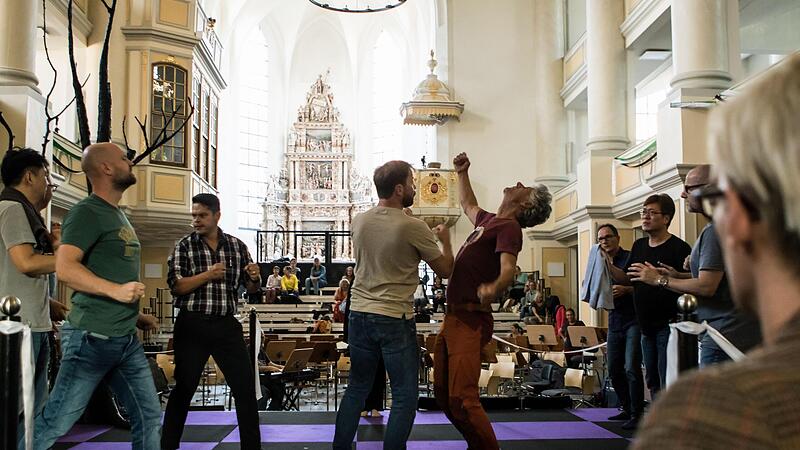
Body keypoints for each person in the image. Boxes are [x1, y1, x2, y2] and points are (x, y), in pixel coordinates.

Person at [634, 53, 800, 450]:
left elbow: (707, 286)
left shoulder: (715, 413)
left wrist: (661, 279)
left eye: (712, 196)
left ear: (738, 215)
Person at [34, 142, 160, 450]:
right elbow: (64, 268)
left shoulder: (117, 215)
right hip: (91, 338)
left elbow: (107, 269)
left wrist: (135, 312)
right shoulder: (86, 212)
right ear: (106, 168)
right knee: (56, 420)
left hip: (123, 339)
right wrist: (116, 291)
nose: (129, 161)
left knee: (149, 416)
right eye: (122, 158)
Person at [333, 160, 454, 450]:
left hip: (359, 313)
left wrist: (406, 218)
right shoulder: (413, 227)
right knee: (404, 395)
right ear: (399, 189)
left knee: (357, 389)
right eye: (412, 183)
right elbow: (446, 270)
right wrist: (445, 240)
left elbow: (386, 239)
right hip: (393, 316)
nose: (415, 187)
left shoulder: (359, 220)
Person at [434, 152, 552, 450]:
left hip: (470, 320)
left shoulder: (509, 229)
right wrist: (462, 172)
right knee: (444, 395)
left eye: (524, 188)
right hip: (453, 318)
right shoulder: (489, 220)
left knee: (463, 396)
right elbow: (467, 205)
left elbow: (509, 268)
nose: (518, 183)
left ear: (525, 203)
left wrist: (495, 287)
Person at [629, 166, 762, 367]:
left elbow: (707, 286)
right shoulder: (726, 225)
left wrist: (658, 280)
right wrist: (679, 275)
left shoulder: (714, 231)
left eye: (688, 188)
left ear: (710, 190)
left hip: (722, 334)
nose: (682, 194)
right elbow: (722, 277)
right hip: (734, 331)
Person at [162, 193, 262, 450]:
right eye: (193, 215)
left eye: (202, 215)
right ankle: (168, 446)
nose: (196, 220)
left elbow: (251, 290)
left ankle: (252, 447)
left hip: (226, 324)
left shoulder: (237, 246)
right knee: (184, 389)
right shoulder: (184, 246)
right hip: (192, 323)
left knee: (244, 390)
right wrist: (208, 274)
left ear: (217, 215)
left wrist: (254, 277)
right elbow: (177, 286)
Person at [0, 148, 68, 449]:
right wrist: (69, 257)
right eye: (45, 176)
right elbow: (26, 263)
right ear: (29, 176)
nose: (47, 183)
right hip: (19, 326)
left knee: (30, 412)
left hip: (32, 322)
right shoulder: (12, 209)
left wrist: (50, 304)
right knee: (21, 410)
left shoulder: (25, 212)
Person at [606, 194, 691, 406]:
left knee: (665, 377)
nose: (645, 217)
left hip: (668, 324)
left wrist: (665, 278)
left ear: (666, 218)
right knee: (651, 378)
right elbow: (628, 277)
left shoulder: (679, 248)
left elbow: (692, 282)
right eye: (644, 212)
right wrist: (605, 265)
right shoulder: (639, 245)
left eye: (652, 213)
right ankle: (654, 417)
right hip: (644, 324)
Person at [595, 223, 643, 428]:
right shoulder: (597, 261)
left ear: (617, 238)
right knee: (614, 368)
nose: (604, 241)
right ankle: (625, 406)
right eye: (600, 239)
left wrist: (626, 290)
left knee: (631, 366)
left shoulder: (631, 257)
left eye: (607, 237)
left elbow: (640, 285)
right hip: (614, 319)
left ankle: (637, 412)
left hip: (633, 319)